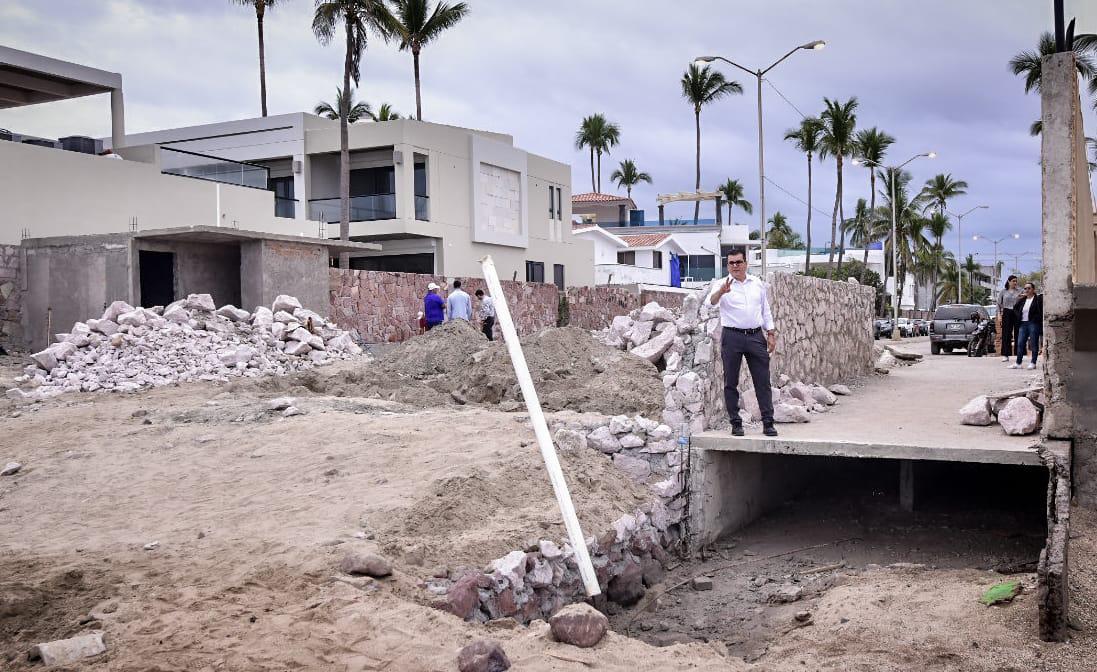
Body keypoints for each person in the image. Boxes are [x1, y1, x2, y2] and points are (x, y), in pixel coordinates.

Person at [708, 249, 778, 437]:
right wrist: (721, 293)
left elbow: (765, 310)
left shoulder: (757, 284)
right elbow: (710, 303)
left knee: (762, 380)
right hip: (732, 337)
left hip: (756, 336)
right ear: (727, 265)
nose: (735, 266)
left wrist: (770, 333)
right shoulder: (721, 284)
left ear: (746, 263)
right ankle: (736, 423)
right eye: (731, 263)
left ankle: (768, 422)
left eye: (738, 262)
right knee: (731, 381)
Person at [1010, 281, 1043, 370]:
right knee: (1020, 343)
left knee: (1033, 344)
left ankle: (1033, 362)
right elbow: (1015, 309)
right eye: (1025, 288)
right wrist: (1019, 317)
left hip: (1033, 323)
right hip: (1023, 324)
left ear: (1033, 289)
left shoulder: (1037, 299)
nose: (1027, 290)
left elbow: (1041, 310)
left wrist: (1036, 318)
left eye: (1029, 288)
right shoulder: (1022, 300)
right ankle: (1018, 363)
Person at [997, 275, 1022, 362]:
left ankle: (1019, 353)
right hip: (1007, 312)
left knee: (1018, 333)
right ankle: (1005, 354)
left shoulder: (1020, 291)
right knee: (1006, 333)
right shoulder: (1003, 292)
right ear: (1008, 281)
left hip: (1016, 312)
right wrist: (999, 315)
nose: (1015, 283)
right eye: (1013, 281)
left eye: (1016, 281)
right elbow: (998, 304)